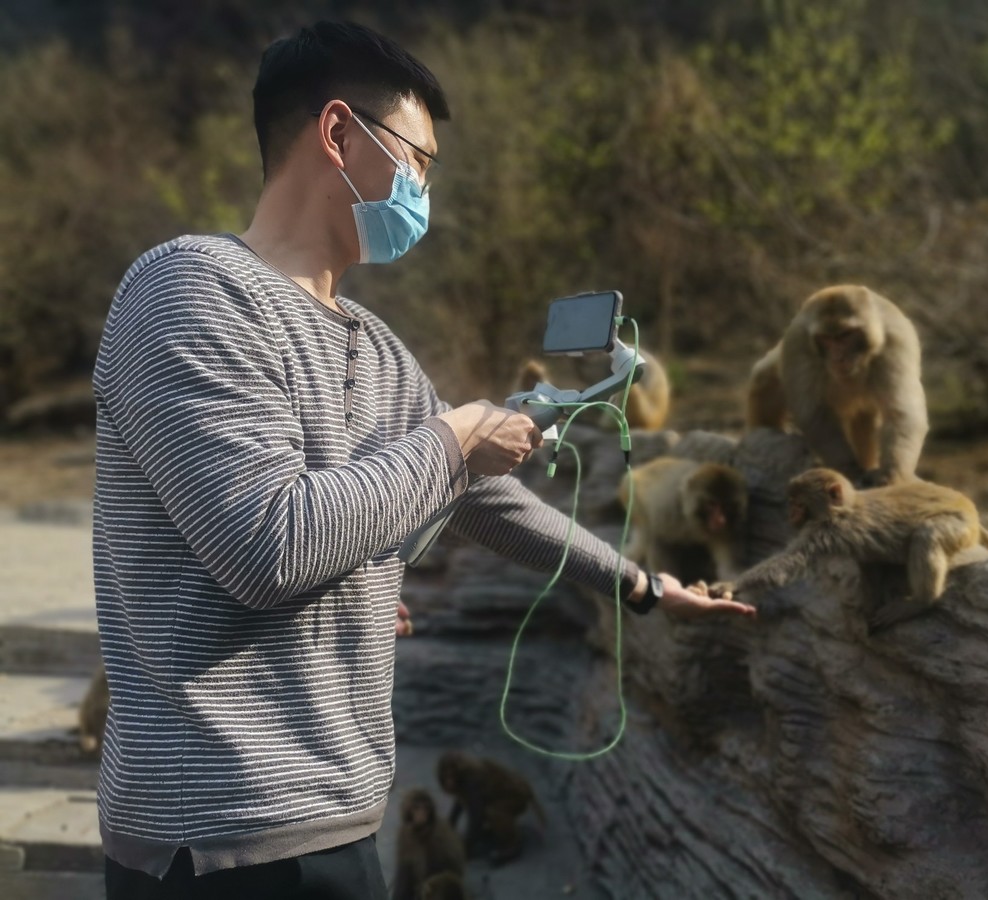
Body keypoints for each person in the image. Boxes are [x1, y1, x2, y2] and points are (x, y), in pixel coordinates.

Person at [92, 19, 755, 900]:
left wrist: (641, 587)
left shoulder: (376, 346)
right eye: (419, 159)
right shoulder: (190, 289)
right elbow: (266, 546)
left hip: (340, 810)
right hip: (220, 835)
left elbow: (488, 501)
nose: (423, 189)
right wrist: (450, 442)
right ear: (339, 135)